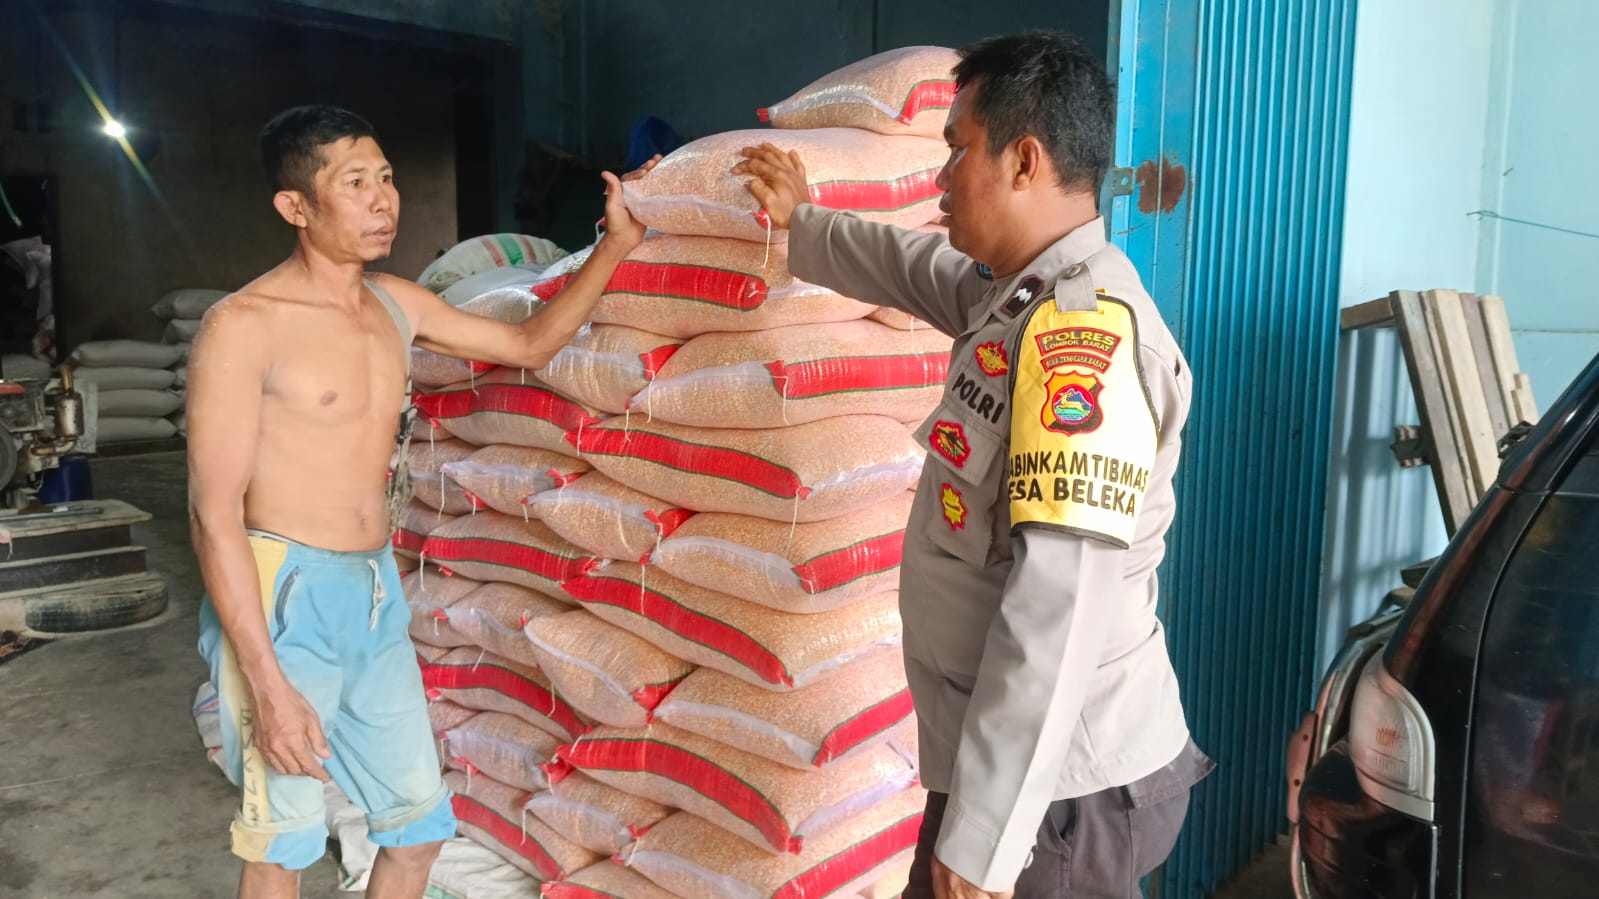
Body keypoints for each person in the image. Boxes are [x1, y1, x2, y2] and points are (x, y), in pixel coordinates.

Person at [736, 31, 1213, 899]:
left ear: (1023, 159)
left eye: (957, 151)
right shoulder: (1017, 294)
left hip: (1060, 793)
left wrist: (987, 836)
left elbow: (1056, 607)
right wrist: (804, 225)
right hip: (1023, 773)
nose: (939, 179)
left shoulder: (1084, 341)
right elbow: (916, 266)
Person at [187, 105, 653, 899]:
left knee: (417, 826)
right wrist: (266, 682)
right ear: (295, 207)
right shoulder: (243, 325)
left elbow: (532, 345)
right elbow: (212, 512)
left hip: (370, 592)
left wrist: (615, 244)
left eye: (387, 178)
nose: (382, 200)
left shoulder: (396, 305)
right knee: (281, 845)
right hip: (280, 595)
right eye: (355, 183)